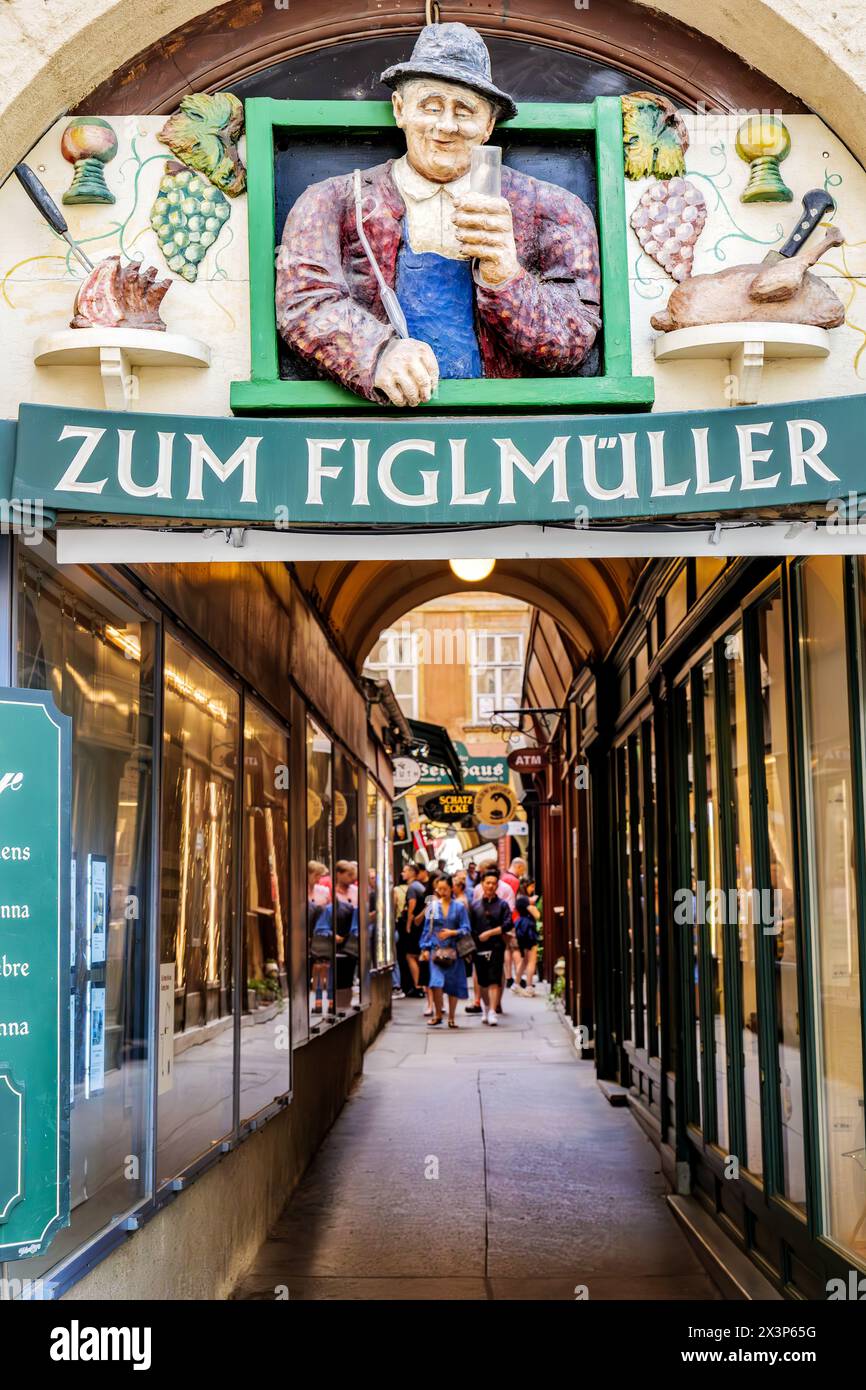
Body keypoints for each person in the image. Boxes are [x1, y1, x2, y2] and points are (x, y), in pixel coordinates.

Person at [276, 23, 600, 405]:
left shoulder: (554, 210)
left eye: (465, 111)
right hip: (377, 424)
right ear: (400, 110)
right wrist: (374, 353)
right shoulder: (333, 202)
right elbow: (303, 302)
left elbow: (573, 339)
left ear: (488, 126)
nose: (446, 126)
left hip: (506, 425)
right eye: (431, 106)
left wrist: (507, 279)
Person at [419, 874, 472, 1028]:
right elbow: (426, 929)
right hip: (436, 950)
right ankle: (438, 1014)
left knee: (453, 984)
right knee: (436, 982)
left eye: (445, 888)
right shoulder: (432, 906)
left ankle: (452, 1017)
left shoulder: (459, 907)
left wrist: (452, 932)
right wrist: (424, 948)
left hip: (454, 951)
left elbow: (466, 928)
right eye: (439, 889)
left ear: (451, 888)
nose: (442, 892)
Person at [469, 868, 512, 1025]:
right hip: (478, 948)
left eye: (494, 883)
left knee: (494, 979)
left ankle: (493, 1010)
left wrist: (490, 933)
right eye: (488, 883)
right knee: (482, 981)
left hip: (496, 946)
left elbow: (508, 924)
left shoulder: (502, 905)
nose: (490, 886)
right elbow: (469, 927)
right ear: (482, 884)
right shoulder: (474, 906)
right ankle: (486, 1007)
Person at [397, 861, 426, 998]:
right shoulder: (420, 886)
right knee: (417, 954)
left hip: (415, 927)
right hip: (421, 927)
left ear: (412, 873)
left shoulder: (413, 888)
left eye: (405, 871)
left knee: (410, 955)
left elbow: (412, 906)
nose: (403, 873)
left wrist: (408, 924)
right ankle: (422, 985)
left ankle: (418, 985)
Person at [512, 885, 540, 995]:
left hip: (521, 929)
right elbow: (538, 916)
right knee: (532, 960)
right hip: (528, 930)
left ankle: (516, 984)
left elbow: (531, 900)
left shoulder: (520, 903)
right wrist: (533, 907)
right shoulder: (527, 905)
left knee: (524, 960)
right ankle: (529, 986)